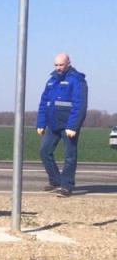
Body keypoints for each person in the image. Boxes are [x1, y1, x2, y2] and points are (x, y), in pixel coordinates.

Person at [36, 52, 87, 197]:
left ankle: (67, 185)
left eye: (61, 65)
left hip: (68, 125)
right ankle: (55, 180)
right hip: (53, 124)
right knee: (44, 151)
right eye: (56, 65)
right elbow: (44, 103)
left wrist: (73, 126)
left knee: (69, 156)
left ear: (68, 63)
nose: (58, 68)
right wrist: (41, 123)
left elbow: (80, 105)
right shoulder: (51, 81)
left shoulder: (77, 80)